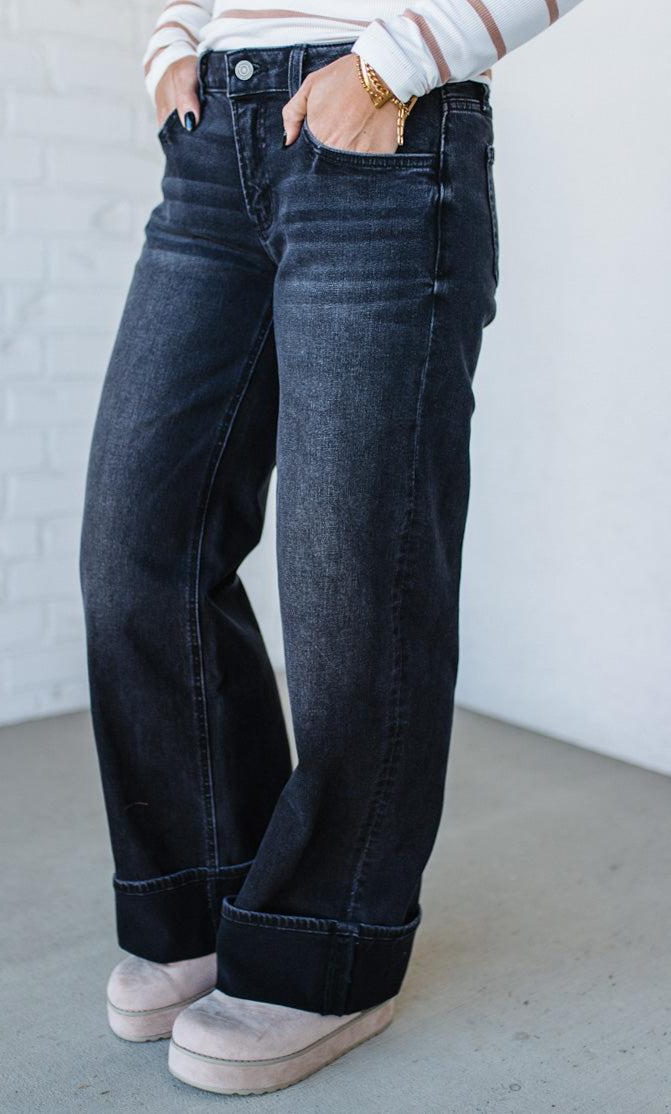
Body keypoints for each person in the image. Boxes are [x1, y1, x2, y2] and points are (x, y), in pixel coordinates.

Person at [80, 0, 583, 1095]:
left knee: (354, 575)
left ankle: (328, 945)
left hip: (384, 130)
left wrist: (392, 65)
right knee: (136, 545)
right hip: (217, 143)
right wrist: (173, 46)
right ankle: (208, 895)